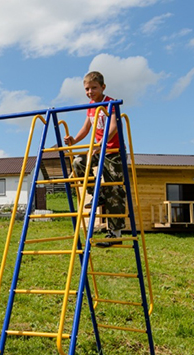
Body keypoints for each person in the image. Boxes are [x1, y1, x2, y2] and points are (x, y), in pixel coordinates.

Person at [63, 71, 126, 247]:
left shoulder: (109, 103)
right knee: (78, 162)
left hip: (113, 150)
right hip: (98, 149)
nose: (90, 92)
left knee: (114, 188)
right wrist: (74, 139)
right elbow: (86, 127)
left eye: (94, 88)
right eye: (87, 89)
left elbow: (113, 126)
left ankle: (115, 233)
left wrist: (102, 143)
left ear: (103, 87)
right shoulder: (91, 106)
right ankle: (95, 193)